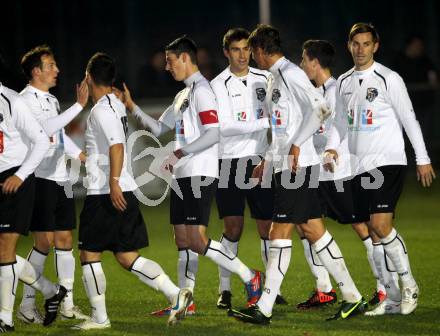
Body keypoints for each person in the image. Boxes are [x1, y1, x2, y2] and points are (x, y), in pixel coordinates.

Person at [229, 24, 367, 325]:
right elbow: (281, 126)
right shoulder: (275, 76)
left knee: (278, 233)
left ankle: (263, 307)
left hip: (299, 166)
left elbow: (320, 110)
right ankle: (353, 297)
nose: (252, 59)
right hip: (286, 165)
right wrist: (268, 158)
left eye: (253, 52)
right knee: (313, 230)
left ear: (263, 51)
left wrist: (295, 145)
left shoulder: (290, 73)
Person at [121, 35, 263, 317]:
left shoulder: (202, 92)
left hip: (200, 172)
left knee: (197, 239)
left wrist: (180, 154)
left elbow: (213, 134)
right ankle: (187, 301)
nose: (167, 67)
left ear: (185, 58)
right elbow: (160, 128)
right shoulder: (183, 94)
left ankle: (250, 276)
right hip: (183, 174)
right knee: (182, 240)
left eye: (170, 61)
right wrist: (131, 106)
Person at [73, 52, 192, 330]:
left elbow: (116, 146)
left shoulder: (102, 110)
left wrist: (113, 181)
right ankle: (175, 293)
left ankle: (100, 319)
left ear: (89, 78)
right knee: (127, 257)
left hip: (106, 192)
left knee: (89, 255)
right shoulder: (114, 104)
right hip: (123, 189)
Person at [325, 22, 436, 316]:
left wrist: (422, 158)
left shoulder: (389, 79)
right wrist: (332, 147)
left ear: (376, 46)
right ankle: (392, 297)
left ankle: (410, 285)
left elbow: (409, 119)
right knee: (374, 235)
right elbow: (339, 123)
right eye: (355, 44)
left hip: (387, 161)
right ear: (349, 46)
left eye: (366, 44)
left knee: (381, 226)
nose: (360, 50)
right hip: (359, 165)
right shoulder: (344, 82)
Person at [297, 39, 398, 309]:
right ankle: (324, 289)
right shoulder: (313, 92)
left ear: (315, 63)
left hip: (338, 173)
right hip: (315, 171)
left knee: (364, 227)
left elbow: (343, 128)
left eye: (304, 60)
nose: (301, 64)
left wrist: (335, 153)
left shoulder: (336, 91)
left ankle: (385, 287)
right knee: (304, 224)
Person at [211, 27, 287, 309]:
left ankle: (270, 288)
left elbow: (278, 115)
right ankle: (225, 288)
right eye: (236, 50)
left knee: (267, 227)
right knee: (233, 227)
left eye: (246, 49)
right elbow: (223, 127)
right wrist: (263, 123)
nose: (242, 55)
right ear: (226, 52)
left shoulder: (265, 78)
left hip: (259, 159)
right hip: (228, 162)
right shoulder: (217, 85)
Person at [18, 45, 88, 323]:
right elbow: (44, 130)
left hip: (61, 177)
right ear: (36, 71)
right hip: (40, 177)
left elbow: (57, 135)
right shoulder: (24, 101)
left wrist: (81, 156)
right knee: (43, 242)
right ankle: (26, 305)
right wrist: (80, 106)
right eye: (51, 65)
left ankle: (67, 304)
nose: (56, 70)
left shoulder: (51, 100)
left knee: (65, 240)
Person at [0, 82, 67, 332]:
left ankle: (5, 318)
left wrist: (20, 175)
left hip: (15, 179)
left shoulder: (12, 100)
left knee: (5, 246)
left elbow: (41, 141)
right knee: (2, 251)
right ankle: (52, 291)